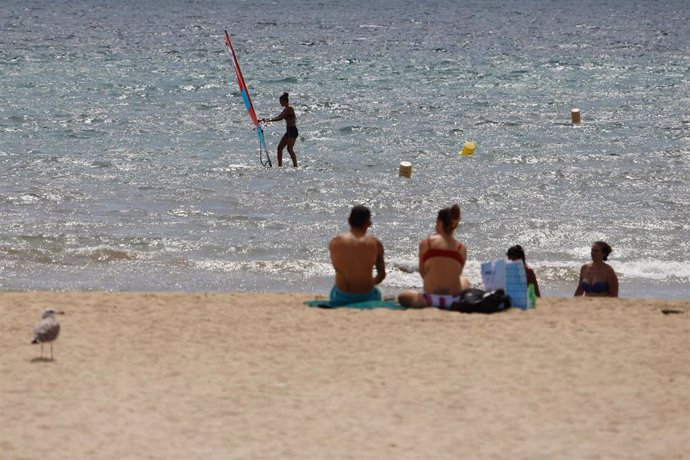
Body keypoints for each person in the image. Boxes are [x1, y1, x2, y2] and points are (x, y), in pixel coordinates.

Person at [398, 204, 471, 308]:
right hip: (454, 300)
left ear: (439, 222)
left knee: (403, 296)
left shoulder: (427, 243)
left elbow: (423, 273)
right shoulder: (461, 248)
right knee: (464, 280)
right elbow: (456, 274)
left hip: (429, 300)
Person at [328, 205, 386, 305]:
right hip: (367, 296)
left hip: (342, 297)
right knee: (378, 292)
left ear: (349, 220)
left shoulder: (336, 241)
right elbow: (381, 274)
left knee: (335, 288)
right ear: (368, 223)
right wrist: (369, 284)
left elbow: (337, 267)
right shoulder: (375, 243)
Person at [262, 92, 298, 167]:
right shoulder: (285, 109)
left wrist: (269, 120)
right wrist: (266, 120)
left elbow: (280, 118)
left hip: (292, 131)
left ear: (285, 101)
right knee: (279, 148)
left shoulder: (290, 109)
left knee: (289, 149)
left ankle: (295, 166)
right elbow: (278, 116)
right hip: (289, 131)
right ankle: (280, 166)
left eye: (280, 101)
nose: (280, 103)